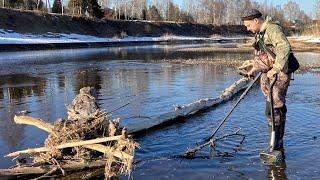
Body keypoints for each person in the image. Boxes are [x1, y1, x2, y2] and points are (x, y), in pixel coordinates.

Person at [239, 9, 292, 153]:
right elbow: (261, 56)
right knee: (270, 109)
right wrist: (253, 71)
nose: (247, 28)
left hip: (279, 74)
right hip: (267, 74)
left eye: (248, 25)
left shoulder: (272, 29)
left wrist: (276, 68)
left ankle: (276, 146)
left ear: (256, 21)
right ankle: (273, 143)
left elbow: (284, 47)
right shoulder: (259, 34)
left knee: (275, 108)